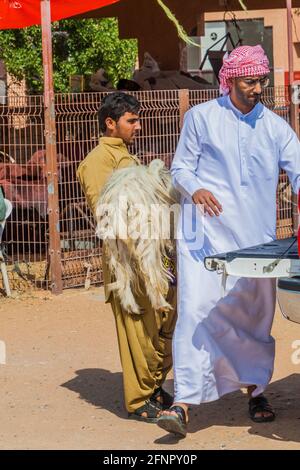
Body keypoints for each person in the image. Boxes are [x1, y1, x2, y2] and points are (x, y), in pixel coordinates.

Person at [157, 45, 300, 437]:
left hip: (257, 238)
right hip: (205, 238)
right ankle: (182, 403)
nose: (257, 88)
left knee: (253, 316)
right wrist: (196, 188)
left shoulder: (274, 127)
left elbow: (298, 169)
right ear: (229, 80)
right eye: (249, 81)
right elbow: (180, 167)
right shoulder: (201, 119)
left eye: (260, 81)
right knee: (196, 312)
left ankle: (255, 390)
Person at [77, 92, 177, 422]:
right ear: (111, 123)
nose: (138, 125)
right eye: (131, 120)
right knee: (138, 331)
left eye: (137, 119)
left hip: (153, 256)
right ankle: (139, 400)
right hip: (127, 262)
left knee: (162, 324)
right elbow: (106, 213)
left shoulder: (128, 158)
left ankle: (154, 387)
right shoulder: (96, 161)